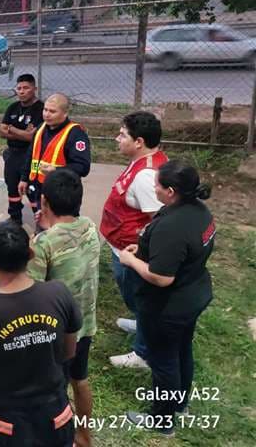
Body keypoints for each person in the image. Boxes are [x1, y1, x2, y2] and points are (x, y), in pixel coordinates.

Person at [0, 221, 82, 447]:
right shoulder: (59, 294)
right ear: (31, 253)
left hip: (3, 425)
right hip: (54, 416)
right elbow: (69, 351)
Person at [119, 161, 215, 437]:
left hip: (168, 307)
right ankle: (179, 404)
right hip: (194, 294)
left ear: (170, 191)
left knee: (164, 360)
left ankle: (162, 421)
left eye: (158, 184)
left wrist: (130, 260)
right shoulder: (199, 211)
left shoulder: (172, 226)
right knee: (182, 349)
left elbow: (162, 277)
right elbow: (185, 251)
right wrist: (146, 249)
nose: (154, 188)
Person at [28, 169, 100, 447]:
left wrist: (36, 240)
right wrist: (50, 229)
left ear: (44, 202)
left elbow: (31, 292)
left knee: (53, 391)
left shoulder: (44, 244)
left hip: (58, 335)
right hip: (86, 323)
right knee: (80, 380)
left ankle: (57, 439)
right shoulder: (89, 225)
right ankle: (84, 436)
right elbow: (68, 245)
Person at [101, 112, 168, 370]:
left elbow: (159, 220)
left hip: (130, 251)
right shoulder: (141, 161)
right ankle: (141, 325)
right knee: (136, 298)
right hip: (122, 245)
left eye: (122, 134)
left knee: (141, 297)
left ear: (139, 141)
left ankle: (143, 353)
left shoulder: (146, 176)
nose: (117, 138)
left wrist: (142, 249)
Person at [17, 93, 91, 217]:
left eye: (52, 111)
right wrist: (24, 178)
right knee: (43, 223)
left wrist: (56, 170)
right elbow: (31, 154)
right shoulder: (41, 128)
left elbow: (83, 167)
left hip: (63, 192)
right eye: (45, 110)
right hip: (41, 188)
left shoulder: (75, 134)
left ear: (65, 113)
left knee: (63, 229)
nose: (46, 114)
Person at [0, 74, 44, 224]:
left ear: (34, 89)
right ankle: (15, 219)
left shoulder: (41, 109)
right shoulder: (12, 107)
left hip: (31, 155)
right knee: (12, 188)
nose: (22, 91)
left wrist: (11, 129)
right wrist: (23, 133)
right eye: (19, 88)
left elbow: (32, 138)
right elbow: (1, 132)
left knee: (33, 190)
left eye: (26, 88)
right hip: (12, 154)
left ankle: (41, 222)